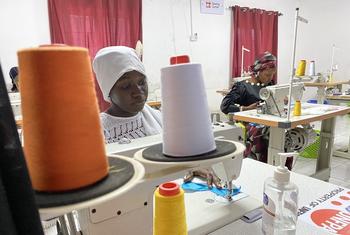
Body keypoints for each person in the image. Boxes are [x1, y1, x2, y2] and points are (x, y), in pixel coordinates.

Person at [93, 46, 162, 144]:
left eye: (142, 82)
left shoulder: (156, 116)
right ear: (108, 91)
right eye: (126, 86)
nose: (138, 92)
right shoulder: (99, 131)